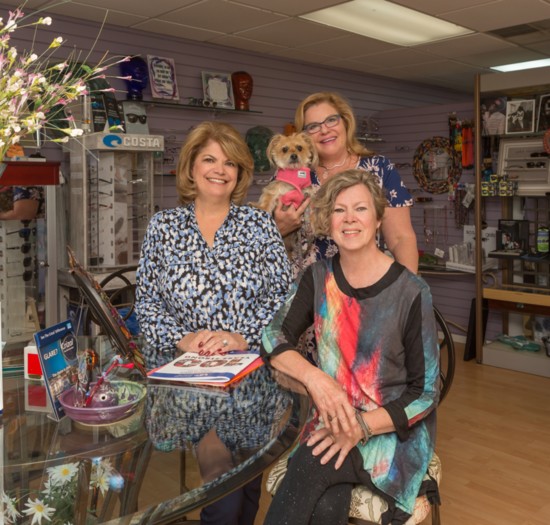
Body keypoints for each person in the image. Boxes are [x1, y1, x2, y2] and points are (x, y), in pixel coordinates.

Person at [261, 169, 440, 525]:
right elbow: (273, 337)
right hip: (333, 421)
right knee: (327, 506)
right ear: (327, 221)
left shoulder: (411, 291)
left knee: (313, 460)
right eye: (339, 210)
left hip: (390, 432)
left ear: (377, 219)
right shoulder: (317, 277)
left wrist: (360, 427)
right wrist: (316, 380)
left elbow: (425, 394)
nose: (350, 219)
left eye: (360, 209)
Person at [135, 121, 292, 525]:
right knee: (222, 478)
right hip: (190, 385)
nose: (219, 169)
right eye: (209, 159)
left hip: (255, 375)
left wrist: (243, 335)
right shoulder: (163, 227)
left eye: (230, 162)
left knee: (250, 480)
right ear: (190, 167)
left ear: (240, 172)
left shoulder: (258, 225)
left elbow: (283, 298)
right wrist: (183, 337)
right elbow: (147, 303)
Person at [274, 91, 417, 277]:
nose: (324, 130)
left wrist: (410, 289)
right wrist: (280, 227)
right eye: (313, 127)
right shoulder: (291, 173)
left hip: (363, 289)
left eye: (331, 120)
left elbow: (400, 238)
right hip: (302, 292)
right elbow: (271, 235)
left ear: (346, 121)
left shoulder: (379, 168)